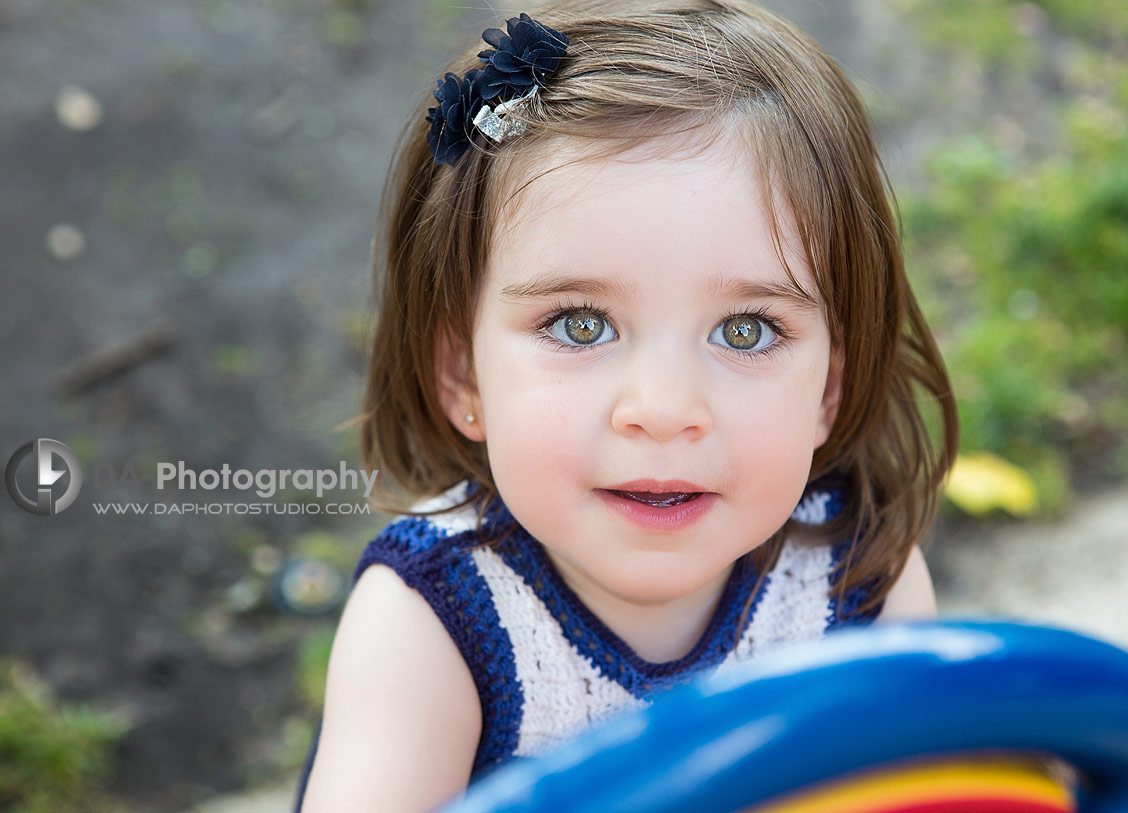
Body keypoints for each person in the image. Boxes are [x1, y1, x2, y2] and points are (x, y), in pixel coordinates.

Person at [297, 0, 957, 809]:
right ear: (463, 376)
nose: (664, 409)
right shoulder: (435, 623)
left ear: (828, 386)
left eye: (745, 331)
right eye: (581, 325)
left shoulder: (858, 577)